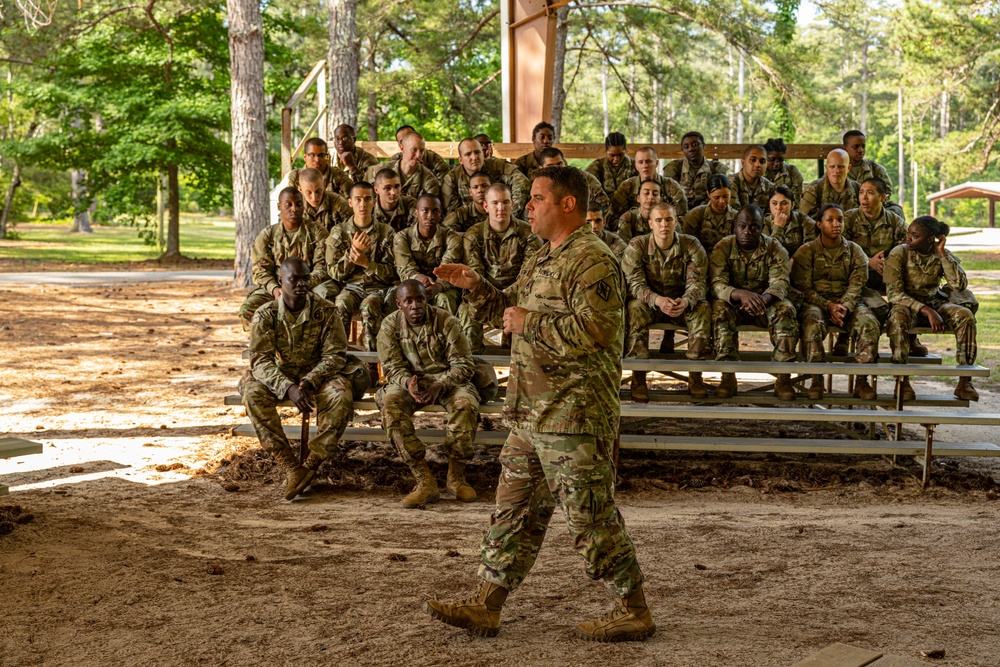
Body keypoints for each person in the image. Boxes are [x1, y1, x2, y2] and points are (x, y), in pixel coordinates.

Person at [428, 165, 654, 642]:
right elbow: (512, 309)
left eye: (536, 199)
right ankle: (487, 605)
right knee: (512, 513)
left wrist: (528, 322)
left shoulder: (592, 260)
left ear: (566, 204)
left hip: (572, 417)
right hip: (531, 414)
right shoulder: (542, 256)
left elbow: (601, 332)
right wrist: (478, 289)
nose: (526, 206)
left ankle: (634, 608)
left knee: (590, 519)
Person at [241, 257, 369, 500]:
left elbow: (335, 356)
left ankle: (311, 464)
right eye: (294, 279)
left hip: (319, 374)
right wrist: (288, 387)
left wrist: (310, 380)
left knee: (341, 394)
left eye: (305, 279)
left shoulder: (326, 311)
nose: (301, 284)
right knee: (252, 393)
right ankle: (290, 466)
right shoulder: (265, 315)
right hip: (282, 374)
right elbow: (261, 361)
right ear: (281, 281)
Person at [376, 280, 483, 507]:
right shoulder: (389, 326)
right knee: (390, 405)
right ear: (399, 304)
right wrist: (407, 383)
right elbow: (392, 367)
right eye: (409, 301)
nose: (415, 305)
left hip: (447, 380)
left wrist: (441, 385)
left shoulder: (446, 321)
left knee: (465, 404)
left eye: (420, 299)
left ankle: (456, 477)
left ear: (427, 299)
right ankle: (424, 480)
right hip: (409, 382)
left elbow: (463, 363)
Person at [622, 201, 712, 400]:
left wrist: (687, 301)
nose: (664, 224)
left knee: (702, 308)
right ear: (650, 224)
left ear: (676, 222)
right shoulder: (638, 246)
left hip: (681, 304)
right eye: (659, 220)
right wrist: (658, 300)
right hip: (651, 304)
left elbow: (698, 283)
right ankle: (638, 376)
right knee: (634, 307)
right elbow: (634, 284)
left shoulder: (691, 245)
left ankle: (695, 375)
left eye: (669, 219)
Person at [791, 204, 880, 401]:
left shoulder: (855, 251)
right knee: (812, 325)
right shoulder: (807, 252)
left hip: (848, 301)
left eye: (839, 219)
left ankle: (862, 381)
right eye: (830, 220)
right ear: (819, 224)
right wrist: (828, 305)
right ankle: (816, 379)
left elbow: (858, 283)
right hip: (816, 302)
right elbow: (803, 288)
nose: (836, 224)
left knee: (869, 324)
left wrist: (845, 306)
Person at [885, 217, 979, 401]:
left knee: (965, 316)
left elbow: (958, 285)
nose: (909, 239)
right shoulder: (899, 253)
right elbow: (894, 294)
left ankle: (964, 381)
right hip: (907, 305)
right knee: (897, 318)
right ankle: (901, 382)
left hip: (935, 302)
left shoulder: (941, 254)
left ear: (930, 239)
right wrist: (926, 311)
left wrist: (942, 253)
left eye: (915, 236)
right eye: (908, 234)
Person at [709, 205, 798, 400]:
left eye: (754, 227)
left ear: (762, 228)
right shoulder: (723, 247)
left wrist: (761, 300)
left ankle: (783, 377)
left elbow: (781, 282)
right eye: (743, 226)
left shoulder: (774, 247)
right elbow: (716, 283)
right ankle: (727, 374)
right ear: (735, 226)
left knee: (786, 310)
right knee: (719, 310)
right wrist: (740, 294)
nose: (747, 231)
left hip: (766, 302)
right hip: (735, 303)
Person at [460, 182, 542, 353]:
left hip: (518, 294)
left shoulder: (528, 233)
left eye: (505, 202)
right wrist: (493, 296)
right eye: (495, 203)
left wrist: (509, 293)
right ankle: (472, 362)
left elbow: (529, 273)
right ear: (485, 206)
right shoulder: (474, 235)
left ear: (512, 204)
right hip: (486, 294)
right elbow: (476, 274)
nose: (500, 208)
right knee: (467, 311)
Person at [238, 188, 332, 331]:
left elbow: (322, 267)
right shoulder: (268, 236)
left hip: (307, 287)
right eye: (288, 204)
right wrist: (275, 288)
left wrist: (297, 287)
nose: (294, 209)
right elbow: (260, 271)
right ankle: (266, 347)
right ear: (279, 206)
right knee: (248, 310)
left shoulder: (317, 232)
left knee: (322, 306)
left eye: (299, 204)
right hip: (276, 288)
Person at [326, 181, 398, 351]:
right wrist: (351, 256)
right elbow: (333, 272)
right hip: (351, 287)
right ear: (350, 202)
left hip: (378, 289)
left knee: (369, 305)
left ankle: (371, 364)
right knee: (341, 304)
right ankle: (337, 357)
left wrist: (367, 263)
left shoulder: (386, 232)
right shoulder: (339, 232)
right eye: (357, 199)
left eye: (367, 199)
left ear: (374, 201)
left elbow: (393, 273)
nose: (363, 204)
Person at [841, 176, 909, 355]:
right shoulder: (848, 218)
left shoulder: (895, 221)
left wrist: (889, 263)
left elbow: (906, 249)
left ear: (883, 198)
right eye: (861, 192)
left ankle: (910, 336)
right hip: (856, 274)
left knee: (907, 281)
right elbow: (840, 249)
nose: (864, 197)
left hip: (884, 273)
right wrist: (867, 261)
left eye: (870, 193)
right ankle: (843, 335)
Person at [394, 194, 463, 314]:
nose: (430, 216)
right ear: (416, 213)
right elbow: (405, 269)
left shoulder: (451, 238)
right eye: (425, 211)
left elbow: (448, 271)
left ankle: (446, 331)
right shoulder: (402, 237)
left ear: (440, 214)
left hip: (443, 288)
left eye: (435, 211)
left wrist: (437, 287)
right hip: (412, 287)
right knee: (401, 298)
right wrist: (418, 278)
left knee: (444, 299)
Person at [441, 137, 530, 213]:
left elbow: (522, 182)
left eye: (477, 152)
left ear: (483, 154)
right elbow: (452, 212)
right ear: (460, 160)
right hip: (470, 224)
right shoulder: (452, 179)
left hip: (502, 215)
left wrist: (511, 213)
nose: (474, 157)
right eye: (468, 154)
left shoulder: (496, 166)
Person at [610, 146, 688, 222]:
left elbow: (682, 216)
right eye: (640, 162)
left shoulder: (671, 186)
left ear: (656, 163)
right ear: (636, 166)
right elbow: (613, 216)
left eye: (649, 161)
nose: (645, 166)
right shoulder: (627, 186)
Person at [843, 130, 904, 218]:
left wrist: (874, 202)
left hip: (873, 206)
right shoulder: (839, 169)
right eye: (855, 147)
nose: (860, 150)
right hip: (848, 207)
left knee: (897, 210)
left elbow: (886, 191)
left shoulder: (874, 168)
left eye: (863, 146)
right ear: (845, 148)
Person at [365, 131, 441, 199]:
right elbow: (361, 195)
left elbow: (430, 209)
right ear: (402, 148)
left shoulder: (429, 180)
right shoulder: (378, 171)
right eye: (414, 150)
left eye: (421, 151)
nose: (418, 155)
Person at [663, 131, 729, 208]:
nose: (691, 149)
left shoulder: (716, 168)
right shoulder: (674, 167)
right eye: (686, 147)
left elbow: (719, 196)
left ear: (703, 146)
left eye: (695, 145)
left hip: (707, 211)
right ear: (682, 149)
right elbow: (668, 195)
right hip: (680, 211)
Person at [537, 147, 610, 211]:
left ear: (565, 163)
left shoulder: (582, 178)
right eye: (551, 166)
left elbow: (603, 204)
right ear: (541, 168)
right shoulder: (537, 185)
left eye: (559, 164)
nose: (557, 169)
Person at [799, 148, 860, 219]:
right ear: (826, 168)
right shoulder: (814, 190)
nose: (836, 171)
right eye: (832, 167)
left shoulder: (858, 189)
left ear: (849, 168)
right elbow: (802, 221)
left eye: (841, 167)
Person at [683, 173, 738, 252]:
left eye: (725, 196)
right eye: (716, 197)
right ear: (708, 194)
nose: (721, 201)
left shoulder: (737, 217)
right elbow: (687, 244)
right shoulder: (695, 215)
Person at [286, 137, 353, 197]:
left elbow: (352, 201)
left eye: (321, 155)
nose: (317, 160)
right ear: (305, 157)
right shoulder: (294, 177)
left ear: (327, 157)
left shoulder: (339, 176)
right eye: (312, 155)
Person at [763, 185, 816, 260]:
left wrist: (794, 260)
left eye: (784, 203)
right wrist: (778, 227)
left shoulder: (804, 221)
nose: (778, 207)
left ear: (792, 205)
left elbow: (811, 248)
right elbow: (768, 253)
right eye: (774, 203)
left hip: (800, 264)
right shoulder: (764, 223)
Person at [585, 131, 638, 199]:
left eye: (620, 154)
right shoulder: (597, 166)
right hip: (604, 206)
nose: (616, 159)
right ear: (606, 151)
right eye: (612, 155)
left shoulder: (635, 165)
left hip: (629, 207)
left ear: (625, 150)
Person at [298, 167, 351, 233]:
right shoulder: (295, 207)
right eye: (309, 192)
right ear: (300, 190)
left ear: (324, 185)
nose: (314, 197)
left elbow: (350, 231)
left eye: (318, 191)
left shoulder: (340, 203)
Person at [371, 168, 417, 233]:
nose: (393, 192)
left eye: (397, 186)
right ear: (376, 190)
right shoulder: (369, 208)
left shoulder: (410, 205)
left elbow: (415, 235)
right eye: (387, 188)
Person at [617, 178, 661, 243]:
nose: (650, 197)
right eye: (646, 193)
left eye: (655, 194)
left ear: (660, 199)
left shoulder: (667, 218)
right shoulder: (628, 219)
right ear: (638, 198)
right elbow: (624, 247)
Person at [731, 145, 775, 210]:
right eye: (753, 160)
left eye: (762, 162)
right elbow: (733, 212)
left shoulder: (769, 187)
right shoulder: (731, 183)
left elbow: (771, 214)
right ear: (743, 162)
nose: (757, 165)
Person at [763, 138, 804, 205]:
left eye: (781, 160)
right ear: (765, 157)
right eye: (772, 159)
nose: (777, 163)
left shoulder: (792, 171)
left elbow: (796, 201)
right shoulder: (759, 173)